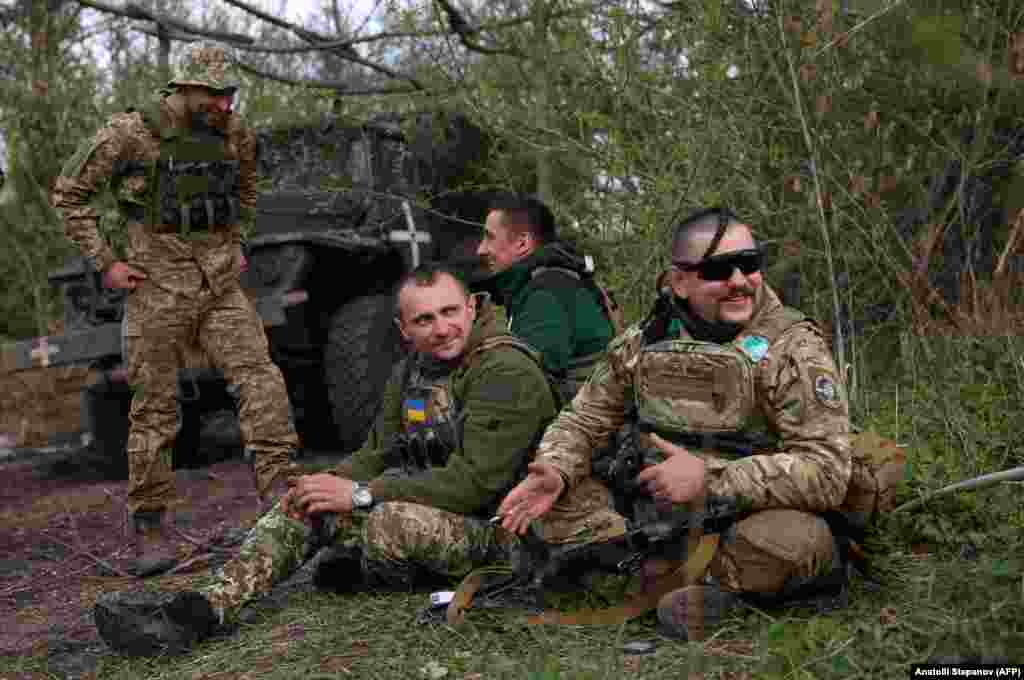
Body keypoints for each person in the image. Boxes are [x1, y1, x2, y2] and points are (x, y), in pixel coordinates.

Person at [92, 262, 626, 657]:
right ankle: (198, 612)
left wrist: (362, 494)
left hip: (508, 535)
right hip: (441, 515)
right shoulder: (411, 371)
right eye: (423, 320)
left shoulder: (507, 371)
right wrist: (326, 482)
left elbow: (475, 485)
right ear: (404, 330)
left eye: (448, 313)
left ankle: (369, 566)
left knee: (385, 521)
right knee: (309, 503)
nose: (440, 329)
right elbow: (376, 453)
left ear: (472, 308)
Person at [497, 207, 852, 640]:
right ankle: (673, 579)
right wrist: (555, 468)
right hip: (653, 516)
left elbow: (829, 472)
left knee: (794, 542)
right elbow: (584, 417)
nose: (740, 280)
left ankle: (680, 583)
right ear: (680, 281)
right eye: (719, 270)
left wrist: (711, 479)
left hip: (748, 520)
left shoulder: (792, 348)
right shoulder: (647, 341)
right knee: (554, 508)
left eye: (750, 264)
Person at [51, 42, 299, 576]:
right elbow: (69, 194)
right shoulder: (129, 133)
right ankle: (150, 526)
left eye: (229, 93)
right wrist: (105, 263)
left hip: (219, 288)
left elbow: (249, 195)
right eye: (213, 95)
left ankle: (283, 500)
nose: (224, 105)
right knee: (155, 409)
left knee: (261, 381)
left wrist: (240, 243)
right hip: (155, 288)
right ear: (183, 89)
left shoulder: (237, 135)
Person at [476, 194, 618, 400]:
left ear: (522, 243)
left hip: (580, 427)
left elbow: (523, 385)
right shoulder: (555, 280)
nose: (480, 249)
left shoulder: (545, 293)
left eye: (489, 237)